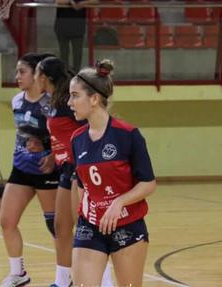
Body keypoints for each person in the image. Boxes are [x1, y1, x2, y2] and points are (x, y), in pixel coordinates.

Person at [68, 60, 157, 287]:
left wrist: (119, 202)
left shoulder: (128, 135)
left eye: (75, 95)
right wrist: (82, 217)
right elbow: (81, 185)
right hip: (90, 226)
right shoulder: (77, 139)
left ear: (95, 99)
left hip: (127, 224)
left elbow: (148, 184)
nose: (69, 102)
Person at [35, 56, 113, 287]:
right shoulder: (56, 101)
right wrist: (52, 153)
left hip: (80, 167)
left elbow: (90, 130)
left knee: (85, 226)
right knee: (60, 225)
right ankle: (62, 281)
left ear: (45, 77)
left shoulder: (70, 104)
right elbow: (63, 135)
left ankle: (104, 281)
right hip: (65, 167)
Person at [0, 53, 59, 287]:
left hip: (47, 170)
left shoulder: (52, 103)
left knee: (56, 227)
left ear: (36, 75)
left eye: (21, 72)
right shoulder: (15, 101)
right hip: (21, 168)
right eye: (16, 72)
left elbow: (65, 136)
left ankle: (65, 276)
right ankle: (18, 273)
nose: (17, 77)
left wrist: (51, 151)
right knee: (7, 221)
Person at [54, 0, 99, 73]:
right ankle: (64, 76)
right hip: (62, 25)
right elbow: (58, 1)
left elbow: (96, 1)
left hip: (78, 26)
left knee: (77, 55)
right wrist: (70, 2)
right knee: (63, 55)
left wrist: (83, 3)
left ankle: (76, 76)